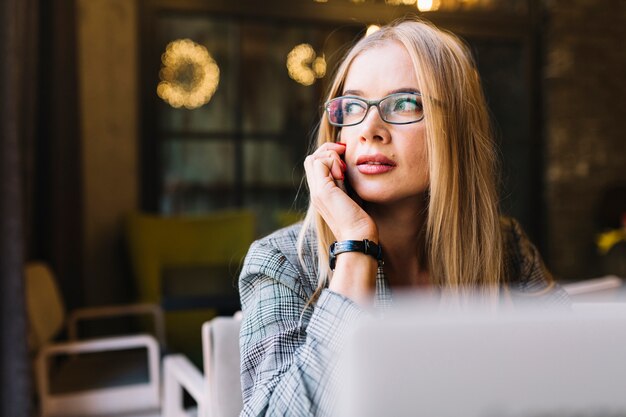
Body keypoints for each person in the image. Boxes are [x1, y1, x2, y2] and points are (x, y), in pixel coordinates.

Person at [237, 18, 569, 417]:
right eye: (354, 107)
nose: (369, 129)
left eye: (405, 104)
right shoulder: (281, 265)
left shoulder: (506, 248)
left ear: (456, 129)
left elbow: (572, 386)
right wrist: (356, 244)